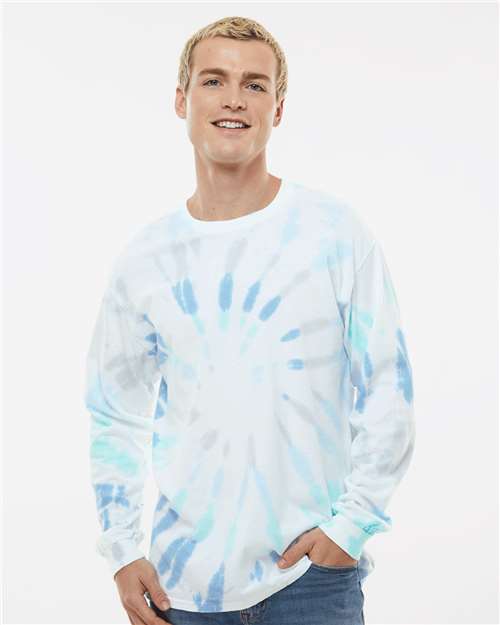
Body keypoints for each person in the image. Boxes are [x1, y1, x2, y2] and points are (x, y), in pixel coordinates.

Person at [84, 15, 416, 625]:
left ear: (277, 108)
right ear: (182, 100)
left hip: (313, 583)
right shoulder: (145, 260)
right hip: (183, 590)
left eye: (254, 85)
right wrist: (122, 548)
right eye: (213, 80)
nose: (234, 99)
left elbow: (387, 389)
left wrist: (352, 527)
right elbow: (114, 412)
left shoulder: (334, 234)